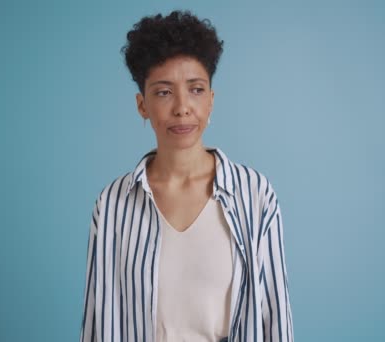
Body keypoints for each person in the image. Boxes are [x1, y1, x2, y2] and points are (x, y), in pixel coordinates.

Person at [80, 10, 294, 342]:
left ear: (211, 100)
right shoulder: (113, 205)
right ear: (142, 105)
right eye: (164, 92)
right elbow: (99, 326)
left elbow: (275, 320)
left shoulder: (255, 195)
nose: (182, 107)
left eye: (195, 90)